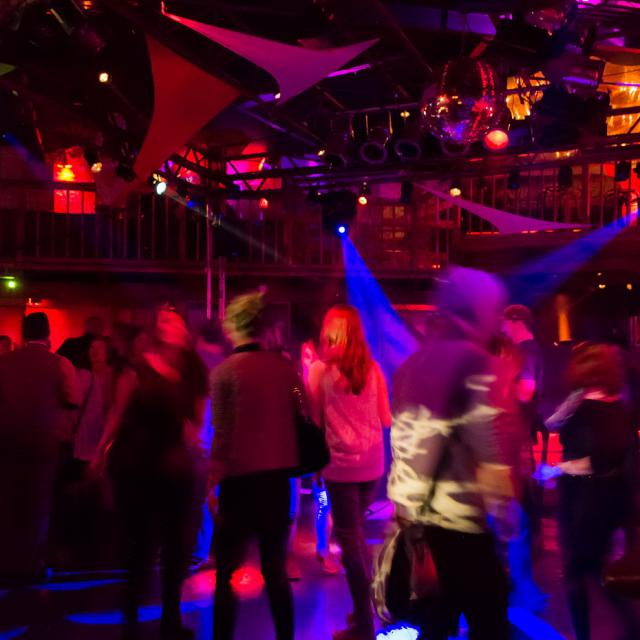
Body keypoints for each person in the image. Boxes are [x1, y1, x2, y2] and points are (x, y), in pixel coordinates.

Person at [388, 267, 513, 640]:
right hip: (462, 523)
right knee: (489, 626)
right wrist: (506, 513)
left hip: (418, 525)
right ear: (479, 309)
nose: (497, 321)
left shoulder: (412, 364)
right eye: (494, 310)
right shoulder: (475, 362)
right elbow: (487, 445)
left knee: (434, 626)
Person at [93, 310, 207, 640]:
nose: (174, 326)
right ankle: (131, 623)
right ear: (158, 332)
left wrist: (195, 436)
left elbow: (196, 420)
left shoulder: (190, 372)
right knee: (139, 549)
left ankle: (169, 621)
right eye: (167, 320)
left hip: (173, 473)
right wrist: (100, 452)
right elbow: (116, 414)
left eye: (177, 321)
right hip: (137, 470)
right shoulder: (137, 371)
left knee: (175, 550)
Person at [210, 291, 300, 640]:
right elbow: (301, 417)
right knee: (275, 568)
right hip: (277, 481)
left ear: (233, 326)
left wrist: (211, 483)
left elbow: (221, 434)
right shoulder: (285, 370)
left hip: (238, 482)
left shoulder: (223, 373)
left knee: (226, 571)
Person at [308, 305, 391, 640]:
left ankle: (365, 625)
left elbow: (315, 424)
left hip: (340, 468)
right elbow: (386, 419)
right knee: (356, 538)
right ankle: (363, 612)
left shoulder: (319, 371)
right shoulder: (373, 369)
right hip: (372, 466)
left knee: (351, 545)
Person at [548, 342, 640, 640]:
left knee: (578, 573)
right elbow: (552, 423)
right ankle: (628, 628)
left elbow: (593, 461)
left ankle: (589, 634)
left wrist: (555, 469)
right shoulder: (617, 405)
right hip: (608, 499)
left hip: (584, 502)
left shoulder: (590, 411)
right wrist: (575, 397)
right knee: (595, 570)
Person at [0, 312, 81, 586]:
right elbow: (73, 398)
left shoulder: (4, 362)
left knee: (8, 501)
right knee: (39, 502)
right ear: (47, 334)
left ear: (23, 334)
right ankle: (32, 565)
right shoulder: (60, 364)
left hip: (7, 439)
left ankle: (7, 562)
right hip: (44, 441)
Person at [188, 320, 228, 570]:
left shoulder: (195, 362)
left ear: (200, 337)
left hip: (200, 438)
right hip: (222, 439)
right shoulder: (227, 364)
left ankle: (200, 550)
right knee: (216, 495)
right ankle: (217, 550)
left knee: (200, 496)